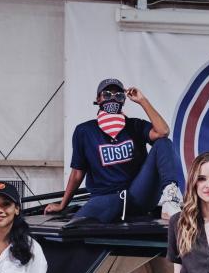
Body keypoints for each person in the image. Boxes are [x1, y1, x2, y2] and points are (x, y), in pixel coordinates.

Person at [44, 78, 182, 224]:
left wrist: (143, 101)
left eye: (118, 95)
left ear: (123, 100)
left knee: (163, 142)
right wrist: (62, 204)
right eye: (107, 94)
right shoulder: (84, 131)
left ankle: (170, 200)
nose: (113, 98)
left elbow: (163, 131)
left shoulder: (135, 125)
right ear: (98, 99)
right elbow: (77, 173)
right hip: (105, 198)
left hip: (138, 195)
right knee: (76, 225)